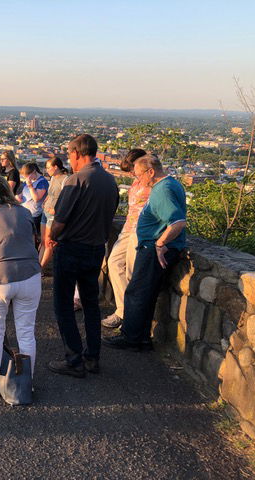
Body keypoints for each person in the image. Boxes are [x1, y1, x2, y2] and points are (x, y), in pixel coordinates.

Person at [47, 134, 119, 377]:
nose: (69, 159)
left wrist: (51, 237)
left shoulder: (76, 180)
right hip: (96, 249)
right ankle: (92, 357)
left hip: (71, 249)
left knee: (63, 305)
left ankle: (74, 359)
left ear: (77, 153)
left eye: (69, 155)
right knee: (90, 305)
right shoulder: (110, 181)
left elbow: (60, 219)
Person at [103, 155, 186, 350]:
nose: (138, 179)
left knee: (137, 292)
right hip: (152, 246)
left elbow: (177, 222)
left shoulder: (163, 190)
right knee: (144, 293)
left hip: (153, 249)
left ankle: (132, 338)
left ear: (151, 171)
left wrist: (160, 244)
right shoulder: (169, 185)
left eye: (140, 175)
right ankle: (141, 338)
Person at [0, 175, 42, 398]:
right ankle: (26, 382)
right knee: (26, 331)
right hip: (29, 275)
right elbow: (32, 242)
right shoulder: (24, 212)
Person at [101, 148, 150, 328]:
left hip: (141, 232)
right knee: (114, 263)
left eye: (131, 170)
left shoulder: (152, 182)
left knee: (131, 273)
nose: (131, 174)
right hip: (128, 229)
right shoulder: (138, 182)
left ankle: (127, 317)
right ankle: (123, 310)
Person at [39, 156, 70, 268]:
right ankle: (37, 267)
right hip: (45, 212)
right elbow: (51, 193)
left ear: (56, 167)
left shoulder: (65, 179)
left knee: (48, 242)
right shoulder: (52, 178)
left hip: (53, 215)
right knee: (43, 241)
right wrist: (46, 201)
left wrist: (56, 209)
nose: (47, 170)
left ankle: (41, 268)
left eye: (48, 168)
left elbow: (66, 198)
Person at [17, 162, 49, 245]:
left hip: (34, 215)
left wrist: (30, 186)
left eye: (27, 176)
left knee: (31, 239)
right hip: (24, 212)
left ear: (34, 172)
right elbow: (22, 193)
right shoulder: (28, 181)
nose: (26, 178)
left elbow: (36, 198)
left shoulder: (42, 182)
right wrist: (18, 197)